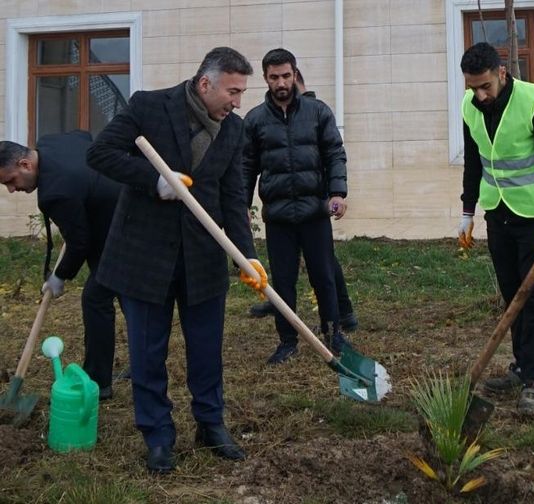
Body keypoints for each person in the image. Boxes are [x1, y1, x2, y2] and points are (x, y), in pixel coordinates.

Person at [86, 47, 267, 474]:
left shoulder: (234, 130)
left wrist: (248, 256)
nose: (238, 102)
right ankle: (158, 436)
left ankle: (210, 424)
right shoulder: (150, 106)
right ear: (206, 84)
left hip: (202, 258)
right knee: (148, 354)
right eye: (233, 92)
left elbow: (233, 195)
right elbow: (101, 154)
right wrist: (155, 182)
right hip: (144, 256)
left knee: (207, 350)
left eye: (242, 93)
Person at [458, 42, 534, 417]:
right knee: (512, 297)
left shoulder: (532, 102)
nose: (479, 94)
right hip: (498, 214)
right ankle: (521, 367)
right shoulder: (469, 107)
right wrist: (467, 211)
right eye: (472, 87)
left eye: (486, 85)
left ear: (502, 73)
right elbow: (473, 162)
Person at [242, 48, 349, 365]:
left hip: (314, 212)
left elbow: (334, 154)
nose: (281, 82)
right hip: (278, 217)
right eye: (274, 77)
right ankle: (287, 342)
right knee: (283, 282)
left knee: (324, 276)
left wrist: (338, 192)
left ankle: (333, 334)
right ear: (265, 79)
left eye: (286, 75)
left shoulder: (317, 112)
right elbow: (246, 168)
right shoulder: (255, 121)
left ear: (295, 74)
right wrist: (242, 210)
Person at [0, 131, 121, 401]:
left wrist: (60, 276)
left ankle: (99, 382)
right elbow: (83, 135)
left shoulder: (55, 192)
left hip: (120, 230)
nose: (11, 189)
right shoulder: (51, 142)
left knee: (95, 300)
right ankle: (143, 367)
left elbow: (79, 243)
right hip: (109, 214)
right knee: (129, 299)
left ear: (25, 165)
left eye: (11, 181)